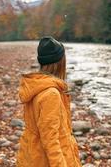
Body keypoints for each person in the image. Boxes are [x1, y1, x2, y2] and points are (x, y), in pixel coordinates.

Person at [16, 36, 82, 167]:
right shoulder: (51, 93)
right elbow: (50, 140)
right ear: (59, 62)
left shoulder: (36, 85)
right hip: (45, 160)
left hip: (32, 154)